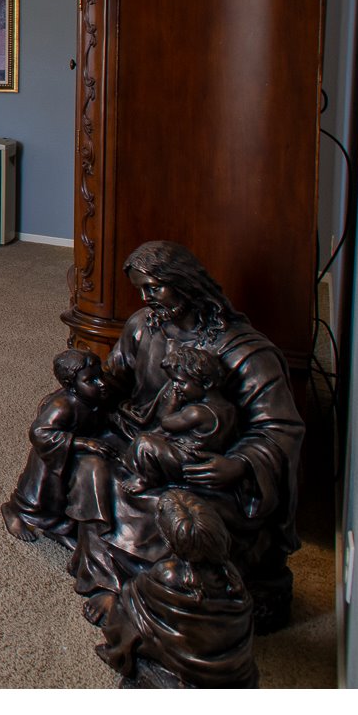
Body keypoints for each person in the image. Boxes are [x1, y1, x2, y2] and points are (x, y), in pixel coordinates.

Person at [65, 240, 304, 631]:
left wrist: (238, 464)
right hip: (143, 439)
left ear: (184, 282)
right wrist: (82, 390)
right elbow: (118, 381)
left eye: (154, 288)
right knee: (87, 465)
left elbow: (280, 428)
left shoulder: (244, 352)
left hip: (206, 467)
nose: (147, 299)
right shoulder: (143, 327)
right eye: (141, 289)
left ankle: (146, 596)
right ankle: (108, 581)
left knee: (179, 517)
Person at [93, 489, 259, 688]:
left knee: (125, 603)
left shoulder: (168, 574)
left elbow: (136, 603)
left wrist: (124, 597)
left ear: (169, 539)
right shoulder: (232, 576)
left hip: (186, 659)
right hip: (228, 664)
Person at [2, 349, 112, 541]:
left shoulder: (94, 398)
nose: (101, 383)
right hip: (52, 458)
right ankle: (14, 510)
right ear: (71, 385)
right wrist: (83, 443)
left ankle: (59, 527)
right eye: (91, 380)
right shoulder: (62, 406)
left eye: (100, 376)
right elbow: (39, 432)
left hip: (73, 455)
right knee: (40, 497)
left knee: (63, 495)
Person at [118, 343, 238, 498]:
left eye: (180, 382)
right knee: (153, 437)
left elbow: (166, 423)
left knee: (144, 443)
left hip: (190, 462)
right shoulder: (229, 408)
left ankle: (146, 480)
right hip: (203, 455)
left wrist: (172, 404)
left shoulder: (196, 412)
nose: (175, 387)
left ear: (206, 383)